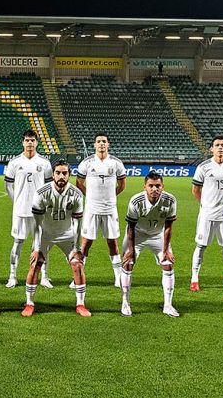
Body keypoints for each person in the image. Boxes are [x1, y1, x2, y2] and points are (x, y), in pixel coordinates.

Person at [22, 160, 87, 317]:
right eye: (58, 173)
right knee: (34, 265)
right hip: (45, 235)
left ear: (69, 175)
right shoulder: (41, 193)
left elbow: (78, 224)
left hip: (67, 235)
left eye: (65, 173)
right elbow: (36, 225)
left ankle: (80, 304)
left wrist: (77, 249)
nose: (61, 176)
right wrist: (37, 248)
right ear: (53, 174)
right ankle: (29, 303)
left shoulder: (77, 194)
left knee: (78, 265)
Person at [120, 171, 180, 317]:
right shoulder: (136, 201)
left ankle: (168, 305)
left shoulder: (170, 200)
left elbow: (168, 226)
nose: (154, 189)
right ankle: (125, 303)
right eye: (151, 186)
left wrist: (166, 250)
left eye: (158, 186)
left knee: (168, 264)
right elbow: (131, 227)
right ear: (145, 187)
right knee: (128, 263)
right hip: (137, 234)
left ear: (162, 186)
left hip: (157, 234)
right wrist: (130, 250)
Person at [190, 135, 223, 292]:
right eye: (217, 145)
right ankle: (194, 279)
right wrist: (204, 205)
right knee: (201, 246)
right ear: (211, 149)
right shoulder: (204, 167)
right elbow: (195, 189)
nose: (220, 147)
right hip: (207, 215)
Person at [75, 132, 126, 288]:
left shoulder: (116, 163)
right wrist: (89, 196)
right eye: (99, 141)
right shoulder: (87, 162)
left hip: (110, 209)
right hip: (91, 209)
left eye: (104, 141)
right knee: (85, 244)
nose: (101, 144)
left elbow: (122, 184)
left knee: (112, 242)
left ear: (108, 144)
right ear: (94, 145)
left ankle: (118, 277)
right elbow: (79, 182)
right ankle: (77, 276)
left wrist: (111, 197)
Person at [3, 130, 53, 288]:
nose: (30, 143)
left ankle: (44, 276)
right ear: (22, 142)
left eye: (32, 140)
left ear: (36, 143)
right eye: (27, 140)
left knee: (41, 245)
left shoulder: (44, 163)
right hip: (21, 211)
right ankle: (13, 276)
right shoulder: (14, 162)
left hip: (39, 211)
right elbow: (8, 185)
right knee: (18, 242)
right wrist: (16, 201)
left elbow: (49, 187)